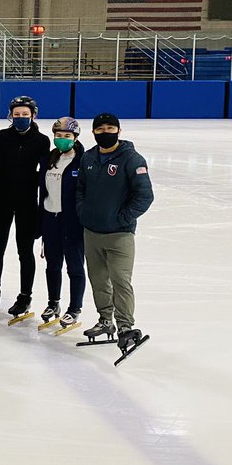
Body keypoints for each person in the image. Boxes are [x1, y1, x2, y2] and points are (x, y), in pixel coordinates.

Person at [76, 113, 154, 355]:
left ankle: (125, 327)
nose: (105, 132)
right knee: (98, 281)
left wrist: (122, 218)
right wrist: (83, 212)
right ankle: (105, 320)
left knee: (121, 281)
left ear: (118, 131)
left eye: (110, 128)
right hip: (92, 232)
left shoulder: (132, 159)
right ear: (94, 132)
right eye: (100, 128)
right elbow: (81, 189)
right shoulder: (88, 157)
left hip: (120, 235)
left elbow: (145, 196)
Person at [0, 95, 51, 320]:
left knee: (25, 251)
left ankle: (25, 295)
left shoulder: (42, 140)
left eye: (25, 114)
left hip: (27, 202)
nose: (21, 118)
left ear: (33, 115)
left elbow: (45, 173)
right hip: (1, 200)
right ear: (10, 116)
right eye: (17, 114)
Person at [38, 118, 87, 332]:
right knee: (53, 265)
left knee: (74, 266)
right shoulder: (50, 158)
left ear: (75, 138)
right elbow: (43, 190)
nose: (62, 139)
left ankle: (74, 308)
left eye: (67, 136)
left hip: (72, 221)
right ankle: (53, 303)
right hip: (50, 218)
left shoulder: (83, 161)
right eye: (58, 135)